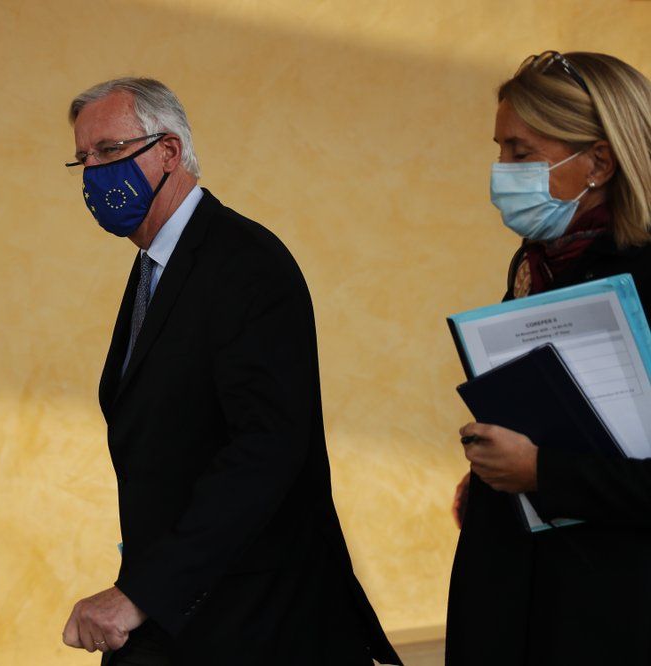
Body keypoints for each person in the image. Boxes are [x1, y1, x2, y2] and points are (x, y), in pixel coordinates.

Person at [59, 78, 400, 665]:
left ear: (168, 151)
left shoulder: (244, 263)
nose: (94, 173)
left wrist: (143, 593)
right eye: (83, 158)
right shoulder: (158, 265)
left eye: (110, 151)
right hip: (189, 613)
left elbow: (265, 448)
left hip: (257, 622)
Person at [447, 51, 651, 665]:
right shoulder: (538, 263)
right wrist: (499, 471)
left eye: (521, 152)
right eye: (499, 149)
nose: (499, 170)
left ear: (599, 162)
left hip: (608, 612)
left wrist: (544, 474)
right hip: (512, 591)